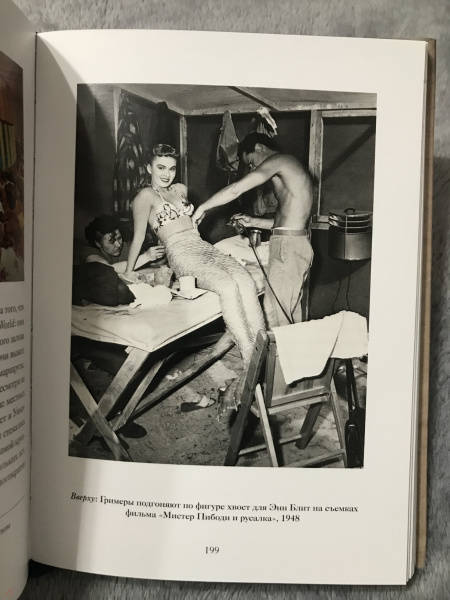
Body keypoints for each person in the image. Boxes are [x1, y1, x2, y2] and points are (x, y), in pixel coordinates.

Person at [124, 144, 265, 408]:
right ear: (149, 168)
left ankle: (262, 353)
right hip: (180, 252)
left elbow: (193, 223)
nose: (166, 174)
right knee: (226, 285)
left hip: (202, 245)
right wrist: (129, 271)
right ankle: (250, 361)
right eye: (160, 167)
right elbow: (138, 236)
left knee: (245, 280)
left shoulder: (181, 189)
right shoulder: (144, 196)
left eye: (171, 168)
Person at [192, 132, 313, 328]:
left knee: (277, 316)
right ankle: (288, 348)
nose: (253, 168)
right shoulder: (290, 168)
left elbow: (236, 189)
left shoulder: (280, 160)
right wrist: (252, 221)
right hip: (292, 241)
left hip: (288, 247)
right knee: (285, 312)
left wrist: (203, 207)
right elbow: (287, 223)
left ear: (259, 147)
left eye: (251, 162)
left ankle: (282, 350)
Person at [82, 214, 165, 273]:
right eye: (111, 241)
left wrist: (162, 253)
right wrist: (146, 257)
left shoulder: (127, 247)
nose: (118, 245)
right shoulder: (89, 252)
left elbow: (150, 265)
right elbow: (108, 270)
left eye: (119, 238)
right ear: (98, 244)